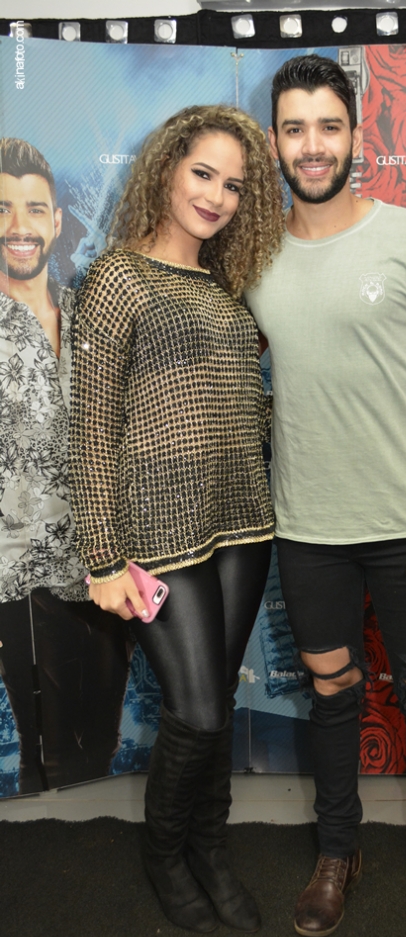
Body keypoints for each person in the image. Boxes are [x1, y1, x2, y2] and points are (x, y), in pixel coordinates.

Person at [244, 55, 406, 937]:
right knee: (333, 695)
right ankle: (337, 851)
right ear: (274, 140)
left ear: (356, 134)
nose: (312, 146)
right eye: (295, 128)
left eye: (328, 126)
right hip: (307, 526)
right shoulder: (252, 254)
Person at [68, 105, 284, 933]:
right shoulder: (117, 278)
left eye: (235, 185)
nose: (217, 196)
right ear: (165, 169)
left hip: (243, 523)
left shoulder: (229, 287)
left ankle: (211, 848)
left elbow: (240, 402)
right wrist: (102, 556)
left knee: (216, 702)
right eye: (203, 174)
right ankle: (164, 854)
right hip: (158, 535)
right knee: (194, 710)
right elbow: (91, 427)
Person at [0, 138, 130, 796]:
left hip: (100, 563)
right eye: (2, 208)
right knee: (39, 759)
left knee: (98, 746)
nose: (17, 225)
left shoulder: (88, 317)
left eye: (32, 209)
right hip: (15, 577)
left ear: (55, 221)